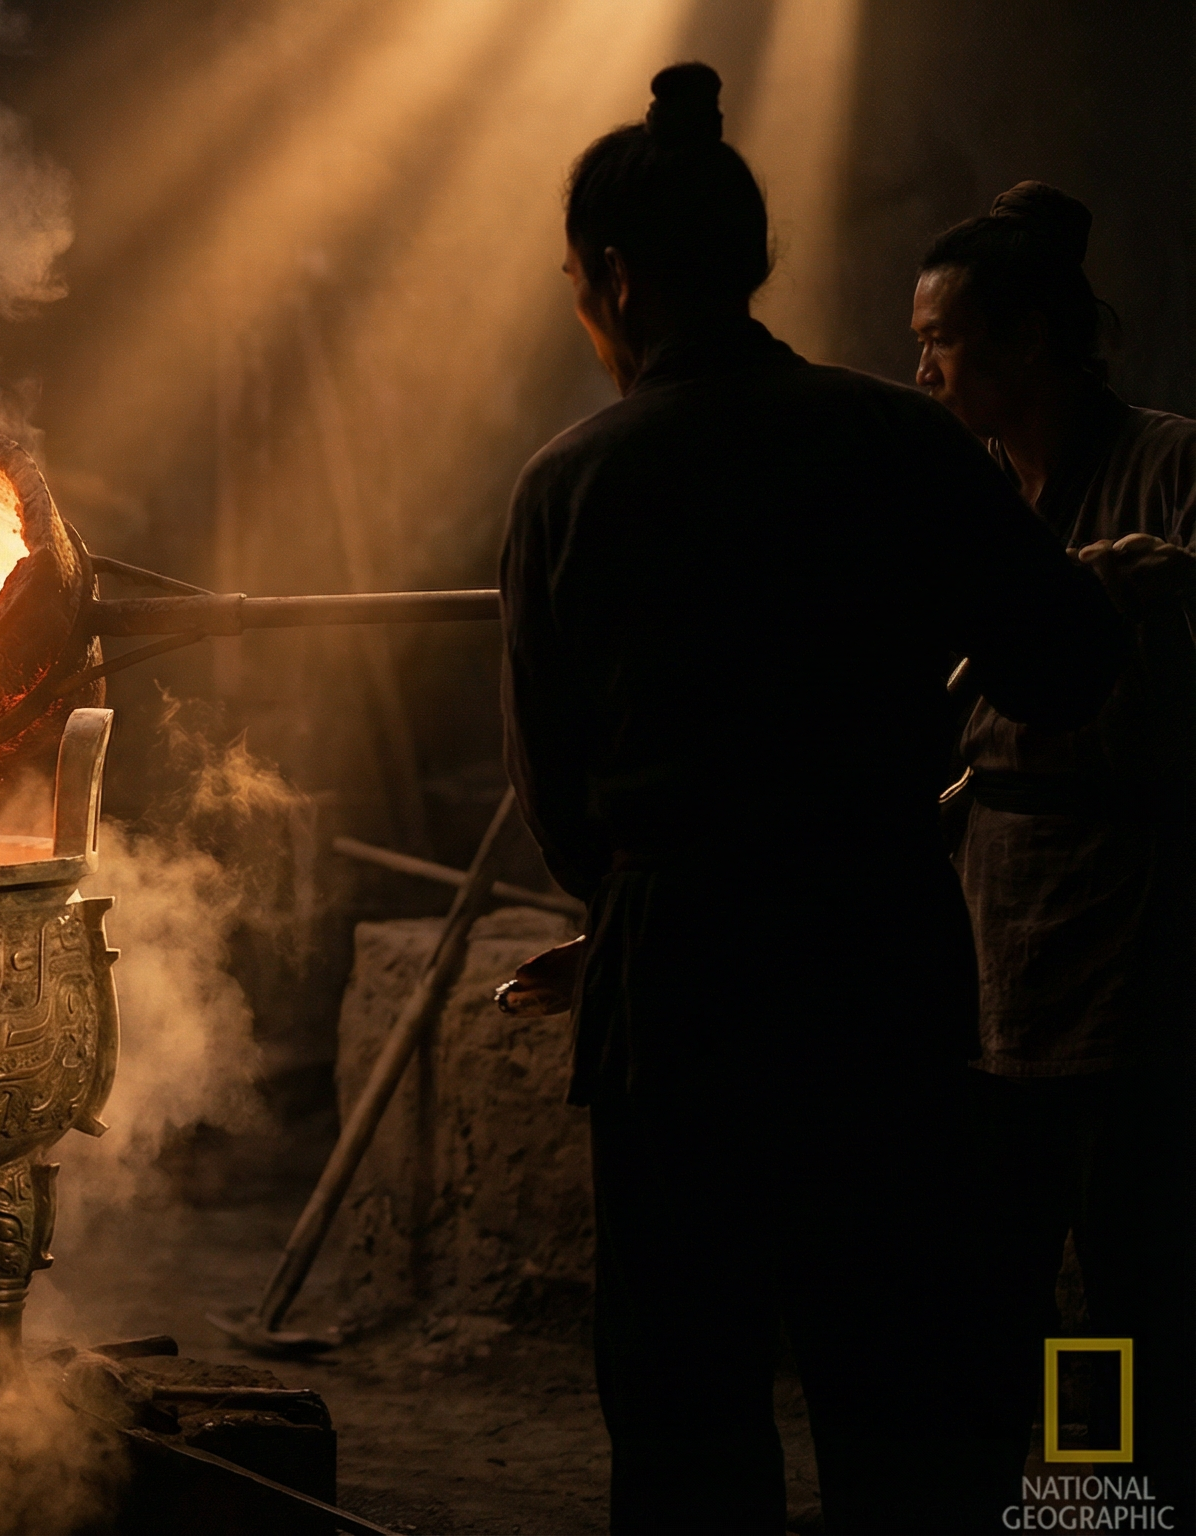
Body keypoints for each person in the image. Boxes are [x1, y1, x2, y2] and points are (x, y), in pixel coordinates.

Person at [499, 65, 1121, 1532]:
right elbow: (1067, 662)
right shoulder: (900, 443)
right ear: (753, 269)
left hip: (677, 998)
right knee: (898, 1389)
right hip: (878, 971)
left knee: (687, 1410)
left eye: (578, 281)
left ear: (615, 280)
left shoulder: (569, 485)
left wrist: (657, 881)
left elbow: (558, 797)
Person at [914, 182, 1196, 1500]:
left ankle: (1109, 1497)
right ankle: (975, 1498)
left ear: (1031, 340)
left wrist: (1142, 586)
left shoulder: (1171, 466)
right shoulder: (956, 500)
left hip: (1129, 915)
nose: (924, 367)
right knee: (983, 1266)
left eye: (947, 340)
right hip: (989, 921)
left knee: (1123, 1272)